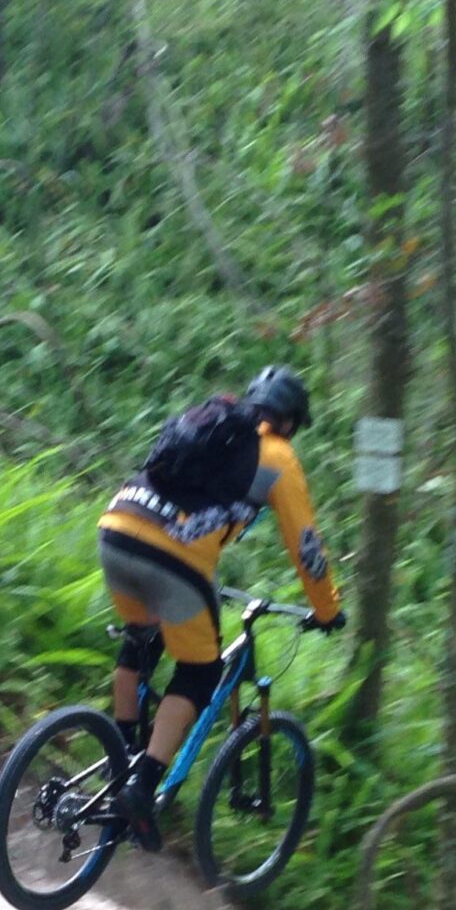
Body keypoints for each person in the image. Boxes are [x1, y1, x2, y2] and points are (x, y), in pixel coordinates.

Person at [98, 364, 344, 851]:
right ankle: (141, 787)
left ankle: (119, 760)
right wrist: (327, 609)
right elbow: (306, 547)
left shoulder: (211, 422)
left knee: (140, 641)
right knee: (200, 671)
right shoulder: (278, 456)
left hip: (116, 527)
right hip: (173, 556)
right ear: (291, 420)